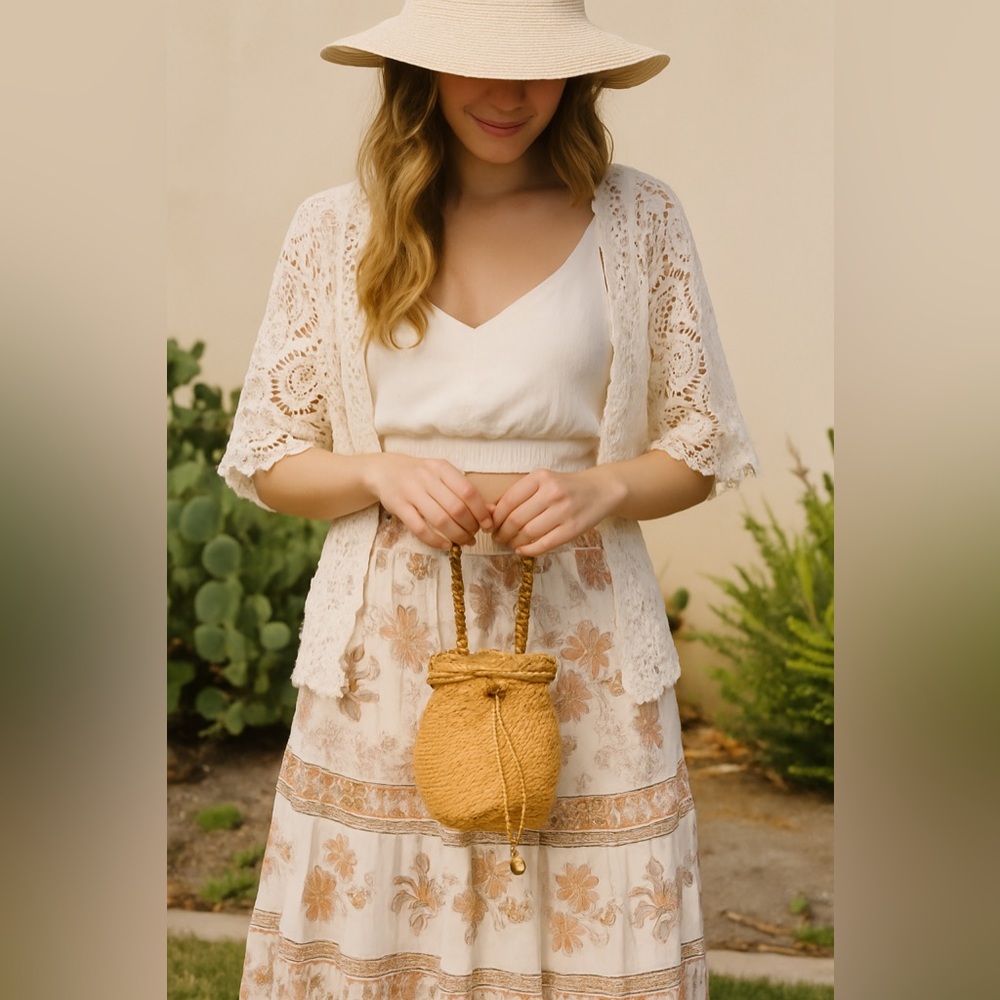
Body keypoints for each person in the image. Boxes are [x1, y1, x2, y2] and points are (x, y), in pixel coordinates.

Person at [219, 2, 759, 997]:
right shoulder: (336, 228)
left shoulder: (640, 220)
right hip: (384, 662)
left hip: (581, 652)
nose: (509, 97)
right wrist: (376, 473)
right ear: (420, 72)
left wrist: (601, 485)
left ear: (578, 79)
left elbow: (703, 441)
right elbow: (266, 453)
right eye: (479, 66)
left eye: (537, 69)